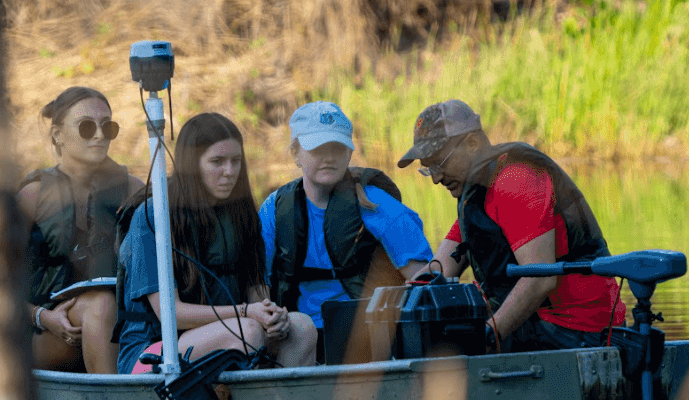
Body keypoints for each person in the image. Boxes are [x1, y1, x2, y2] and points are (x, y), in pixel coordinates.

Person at [396, 99, 625, 352]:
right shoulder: (477, 195)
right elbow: (439, 270)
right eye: (429, 169)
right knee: (426, 332)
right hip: (538, 322)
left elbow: (540, 280)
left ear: (472, 143)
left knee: (450, 344)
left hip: (577, 328)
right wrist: (398, 308)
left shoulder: (515, 181)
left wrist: (487, 335)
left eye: (440, 163)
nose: (436, 178)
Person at [117, 111, 317, 374]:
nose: (230, 171)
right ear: (192, 165)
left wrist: (270, 316)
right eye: (217, 162)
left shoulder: (241, 214)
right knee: (247, 331)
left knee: (301, 326)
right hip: (153, 351)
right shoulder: (153, 216)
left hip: (237, 330)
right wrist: (247, 312)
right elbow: (171, 314)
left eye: (236, 161)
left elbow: (258, 295)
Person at [259, 101, 432, 360]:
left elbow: (425, 281)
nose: (329, 157)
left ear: (349, 152)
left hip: (369, 336)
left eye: (337, 148)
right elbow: (258, 287)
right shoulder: (274, 210)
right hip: (298, 337)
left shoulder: (377, 205)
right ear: (296, 153)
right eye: (318, 148)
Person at [19, 86, 146, 374]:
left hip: (122, 327)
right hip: (43, 333)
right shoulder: (32, 196)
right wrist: (42, 317)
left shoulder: (133, 191)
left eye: (108, 127)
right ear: (58, 135)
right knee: (101, 305)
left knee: (104, 306)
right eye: (87, 127)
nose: (100, 135)